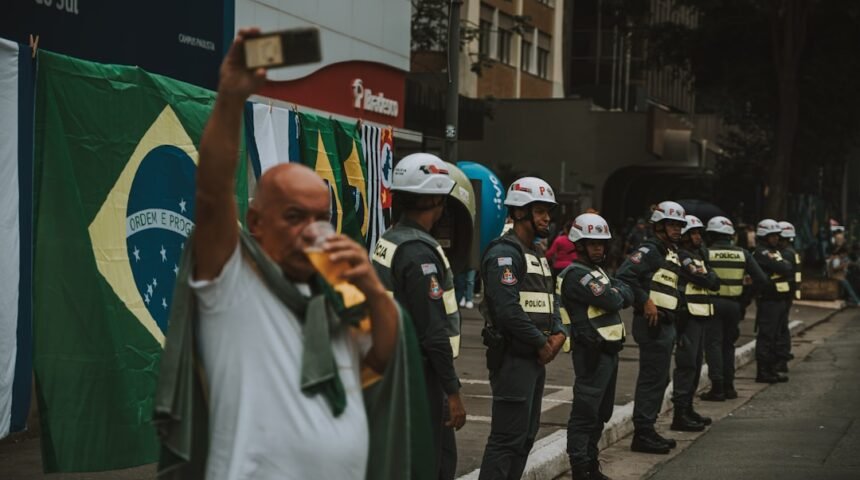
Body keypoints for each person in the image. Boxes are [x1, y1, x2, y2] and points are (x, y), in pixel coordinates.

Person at [158, 28, 401, 480]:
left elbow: (384, 357)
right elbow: (211, 197)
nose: (311, 231)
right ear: (256, 224)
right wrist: (232, 95)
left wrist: (370, 286)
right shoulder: (232, 282)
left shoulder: (335, 290)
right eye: (294, 216)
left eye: (320, 216)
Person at [371, 152, 466, 480]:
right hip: (420, 376)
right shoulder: (418, 253)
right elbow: (433, 330)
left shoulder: (391, 238)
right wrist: (452, 391)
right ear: (436, 198)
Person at [478, 177, 567, 480]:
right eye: (540, 211)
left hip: (535, 358)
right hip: (515, 359)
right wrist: (541, 344)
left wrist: (558, 333)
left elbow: (549, 297)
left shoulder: (538, 254)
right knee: (506, 440)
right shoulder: (505, 252)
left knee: (525, 438)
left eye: (547, 212)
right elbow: (507, 310)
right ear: (519, 213)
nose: (546, 219)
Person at [557, 213, 632, 479]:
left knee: (601, 413)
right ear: (579, 244)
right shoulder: (578, 275)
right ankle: (581, 469)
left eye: (601, 243)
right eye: (592, 243)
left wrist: (617, 291)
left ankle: (590, 464)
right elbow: (613, 300)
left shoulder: (596, 272)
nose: (599, 248)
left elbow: (625, 292)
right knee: (585, 413)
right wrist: (616, 292)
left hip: (608, 351)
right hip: (591, 353)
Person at [615, 200, 687, 455]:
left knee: (659, 378)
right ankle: (643, 434)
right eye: (672, 224)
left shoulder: (668, 252)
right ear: (659, 226)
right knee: (651, 378)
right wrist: (644, 300)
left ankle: (648, 430)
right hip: (652, 324)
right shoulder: (650, 249)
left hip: (666, 323)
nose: (678, 229)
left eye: (680, 225)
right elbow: (624, 276)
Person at [701, 216, 768, 401]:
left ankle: (717, 388)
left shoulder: (706, 253)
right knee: (728, 345)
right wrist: (744, 299)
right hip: (734, 305)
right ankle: (729, 387)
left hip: (712, 303)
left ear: (711, 235)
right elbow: (761, 279)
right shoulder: (743, 253)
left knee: (713, 345)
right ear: (731, 235)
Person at [670, 215, 719, 432]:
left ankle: (688, 408)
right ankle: (680, 414)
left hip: (701, 316)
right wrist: (705, 275)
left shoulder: (699, 256)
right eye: (694, 233)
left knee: (697, 364)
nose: (698, 237)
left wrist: (705, 275)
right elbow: (704, 279)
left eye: (699, 233)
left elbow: (715, 282)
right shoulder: (683, 256)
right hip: (687, 317)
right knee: (687, 365)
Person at [752, 219, 795, 384]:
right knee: (767, 337)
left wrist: (782, 265)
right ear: (764, 235)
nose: (776, 238)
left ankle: (771, 369)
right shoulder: (762, 252)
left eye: (777, 235)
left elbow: (787, 266)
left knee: (775, 335)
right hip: (769, 300)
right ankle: (763, 372)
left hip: (779, 300)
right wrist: (782, 266)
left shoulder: (773, 251)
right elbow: (784, 268)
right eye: (773, 235)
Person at [776, 221, 801, 373]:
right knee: (782, 326)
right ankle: (783, 357)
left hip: (784, 294)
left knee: (780, 328)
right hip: (789, 294)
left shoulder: (785, 253)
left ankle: (781, 358)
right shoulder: (792, 252)